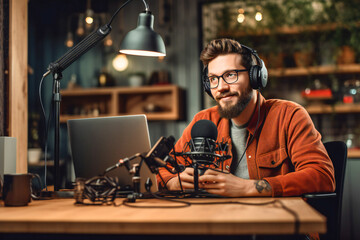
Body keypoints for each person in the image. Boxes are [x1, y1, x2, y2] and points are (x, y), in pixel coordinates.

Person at [157, 38, 335, 197]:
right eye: (213, 79)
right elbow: (161, 169)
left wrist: (248, 187)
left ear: (255, 77)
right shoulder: (204, 120)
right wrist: (173, 182)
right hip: (219, 225)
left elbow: (322, 175)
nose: (221, 87)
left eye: (230, 75)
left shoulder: (289, 116)